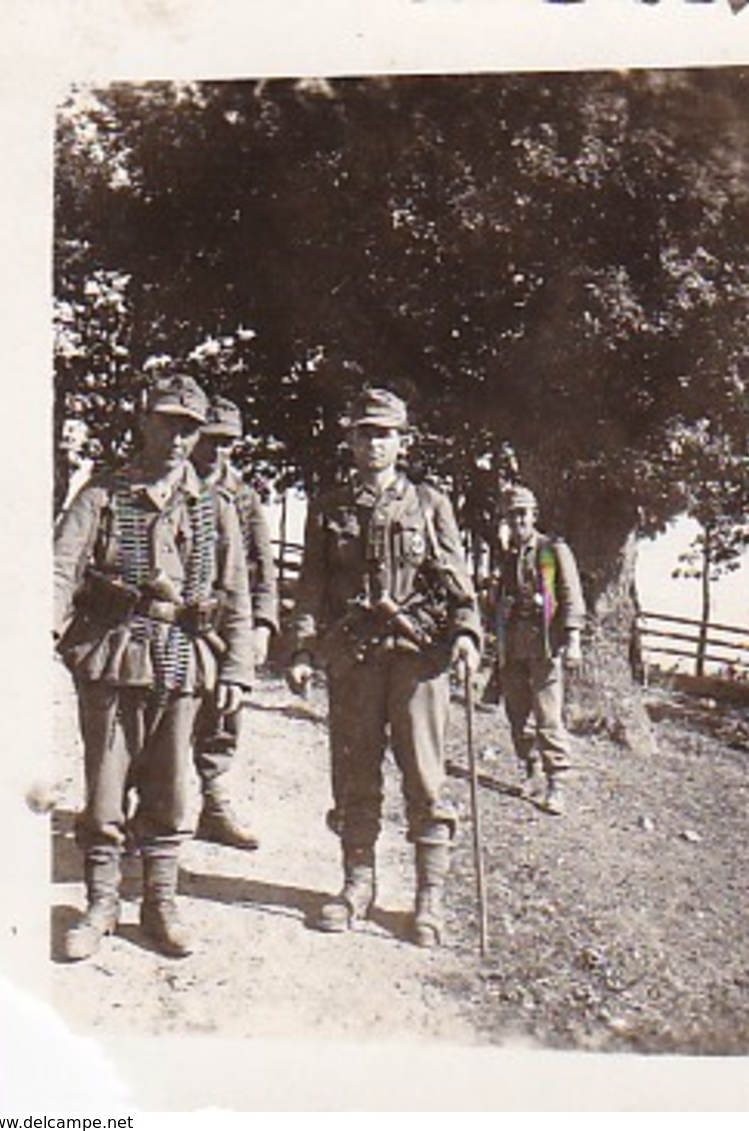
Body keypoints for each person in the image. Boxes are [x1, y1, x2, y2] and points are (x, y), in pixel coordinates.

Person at [53, 374, 253, 961]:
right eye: (167, 422)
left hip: (182, 661)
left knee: (169, 790)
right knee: (106, 790)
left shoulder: (216, 506)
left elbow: (235, 593)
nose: (177, 438)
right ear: (144, 420)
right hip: (115, 655)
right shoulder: (104, 494)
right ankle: (100, 904)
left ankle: (159, 906)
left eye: (189, 428)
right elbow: (62, 567)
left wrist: (237, 671)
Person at [287, 387, 481, 948]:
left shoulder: (429, 503)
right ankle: (356, 887)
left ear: (403, 442)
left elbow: (457, 580)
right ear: (350, 439)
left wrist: (467, 634)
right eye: (365, 431)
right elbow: (312, 587)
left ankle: (429, 898)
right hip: (354, 659)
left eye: (386, 433)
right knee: (354, 775)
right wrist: (302, 649)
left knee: (423, 776)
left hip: (418, 660)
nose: (375, 442)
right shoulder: (330, 507)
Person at [190, 396, 279, 850]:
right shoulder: (171, 482)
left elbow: (263, 566)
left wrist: (261, 625)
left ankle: (215, 802)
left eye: (227, 444)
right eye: (210, 440)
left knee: (223, 714)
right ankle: (132, 805)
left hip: (224, 623)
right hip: (176, 616)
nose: (217, 451)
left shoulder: (242, 497)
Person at [493, 484, 586, 816]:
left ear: (534, 515)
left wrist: (573, 641)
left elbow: (571, 597)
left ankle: (556, 783)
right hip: (513, 645)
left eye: (522, 513)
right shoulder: (505, 556)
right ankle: (530, 771)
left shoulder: (552, 550)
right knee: (517, 714)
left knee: (548, 716)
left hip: (545, 646)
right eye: (511, 514)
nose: (517, 521)